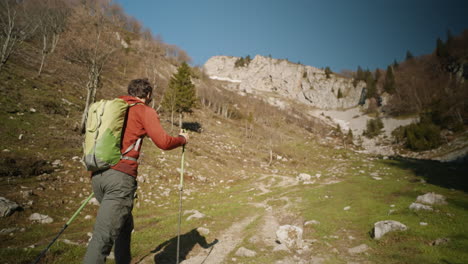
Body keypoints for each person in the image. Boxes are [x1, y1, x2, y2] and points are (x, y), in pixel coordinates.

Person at [84, 78, 188, 264]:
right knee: (102, 238)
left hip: (98, 175)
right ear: (148, 95)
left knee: (124, 225)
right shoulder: (144, 110)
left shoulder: (115, 108)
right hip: (120, 179)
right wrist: (182, 139)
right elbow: (163, 142)